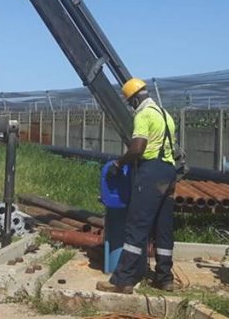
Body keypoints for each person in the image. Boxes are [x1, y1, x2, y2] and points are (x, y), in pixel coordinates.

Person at [97, 78, 178, 294]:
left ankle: (122, 280)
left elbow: (137, 148)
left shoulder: (143, 114)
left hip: (150, 172)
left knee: (137, 226)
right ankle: (165, 278)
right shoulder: (165, 114)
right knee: (163, 228)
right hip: (169, 172)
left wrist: (118, 163)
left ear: (133, 100)